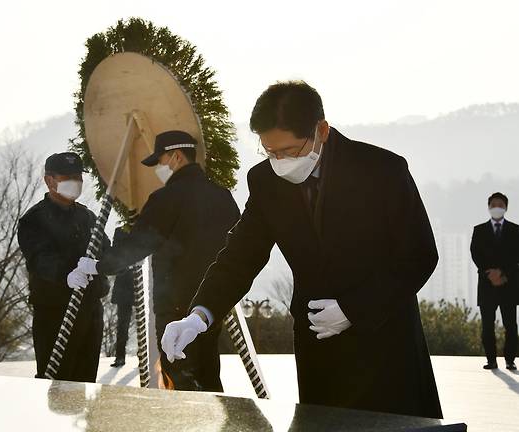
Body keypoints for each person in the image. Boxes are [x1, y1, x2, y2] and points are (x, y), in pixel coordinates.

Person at [161, 81, 443, 418]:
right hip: (319, 351)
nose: (280, 162)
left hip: (385, 344)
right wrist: (199, 315)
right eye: (270, 151)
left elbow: (419, 255)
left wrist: (354, 309)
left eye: (290, 151)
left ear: (321, 130)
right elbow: (240, 255)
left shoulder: (382, 170)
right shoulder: (266, 181)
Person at [72, 130, 240, 392]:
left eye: (160, 162)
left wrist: (97, 265)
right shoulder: (222, 196)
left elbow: (139, 244)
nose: (158, 169)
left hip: (174, 307)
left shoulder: (166, 198)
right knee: (207, 374)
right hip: (208, 308)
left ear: (175, 157)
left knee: (181, 380)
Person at [17, 152, 110, 382]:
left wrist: (123, 254)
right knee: (57, 385)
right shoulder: (34, 219)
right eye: (68, 177)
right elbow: (39, 258)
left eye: (78, 176)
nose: (75, 182)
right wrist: (65, 275)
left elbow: (105, 251)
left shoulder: (87, 217)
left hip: (90, 311)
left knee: (86, 384)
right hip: (54, 312)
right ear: (49, 180)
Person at [470, 192, 518, 370]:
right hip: (487, 285)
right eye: (494, 204)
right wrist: (489, 273)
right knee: (487, 327)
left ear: (505, 207)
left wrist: (503, 274)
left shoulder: (516, 231)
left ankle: (510, 360)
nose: (497, 207)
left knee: (511, 326)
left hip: (509, 285)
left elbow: (516, 257)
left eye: (500, 204)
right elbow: (475, 254)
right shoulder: (479, 230)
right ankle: (491, 360)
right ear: (489, 207)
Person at [110, 226, 135, 368]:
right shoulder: (120, 231)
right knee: (122, 323)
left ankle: (146, 357)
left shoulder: (148, 227)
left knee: (148, 323)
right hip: (124, 283)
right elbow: (116, 254)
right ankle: (120, 356)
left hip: (143, 282)